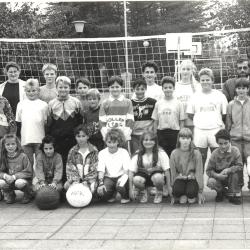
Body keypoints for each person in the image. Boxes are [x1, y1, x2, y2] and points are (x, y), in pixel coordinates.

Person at [187, 68, 228, 167]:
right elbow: (190, 114)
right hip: (200, 131)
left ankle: (219, 182)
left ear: (212, 80)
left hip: (215, 130)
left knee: (219, 159)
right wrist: (200, 121)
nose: (205, 82)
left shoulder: (220, 95)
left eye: (207, 80)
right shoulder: (194, 96)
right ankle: (199, 181)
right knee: (200, 160)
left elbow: (224, 114)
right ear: (199, 81)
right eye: (203, 80)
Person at [47, 76, 83, 182]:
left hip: (73, 139)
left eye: (66, 87)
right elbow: (49, 124)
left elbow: (81, 122)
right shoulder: (51, 104)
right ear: (56, 88)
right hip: (57, 140)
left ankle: (75, 182)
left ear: (70, 88)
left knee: (73, 161)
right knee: (60, 161)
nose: (63, 89)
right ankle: (61, 183)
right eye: (60, 87)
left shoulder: (76, 102)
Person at [129, 131, 171, 204]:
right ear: (142, 141)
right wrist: (130, 189)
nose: (148, 142)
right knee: (136, 179)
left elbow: (167, 171)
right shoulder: (137, 154)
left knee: (158, 177)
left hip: (156, 177)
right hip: (143, 177)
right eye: (146, 140)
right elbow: (131, 172)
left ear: (155, 142)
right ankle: (143, 192)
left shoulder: (161, 153)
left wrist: (169, 186)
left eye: (151, 140)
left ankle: (159, 192)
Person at [16, 79, 48, 168]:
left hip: (40, 139)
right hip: (26, 139)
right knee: (28, 163)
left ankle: (39, 179)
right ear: (25, 91)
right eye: (28, 91)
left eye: (33, 90)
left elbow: (46, 122)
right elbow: (18, 122)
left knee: (40, 162)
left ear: (38, 90)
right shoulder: (21, 104)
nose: (31, 93)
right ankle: (28, 180)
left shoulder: (44, 105)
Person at [206, 129, 243, 205]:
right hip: (220, 177)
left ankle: (234, 194)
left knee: (235, 174)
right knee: (210, 181)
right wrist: (218, 175)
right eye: (220, 143)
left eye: (226, 143)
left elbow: (240, 166)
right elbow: (208, 170)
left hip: (232, 177)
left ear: (230, 141)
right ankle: (221, 192)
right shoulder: (215, 153)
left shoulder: (235, 150)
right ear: (217, 143)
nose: (223, 146)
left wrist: (229, 169)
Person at [152, 76, 185, 157]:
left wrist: (181, 135)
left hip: (175, 133)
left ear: (174, 88)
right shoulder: (158, 103)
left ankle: (174, 169)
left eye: (170, 87)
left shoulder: (179, 103)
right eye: (165, 87)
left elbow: (182, 121)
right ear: (162, 89)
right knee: (163, 155)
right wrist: (155, 134)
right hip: (161, 133)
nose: (168, 89)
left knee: (174, 155)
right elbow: (155, 121)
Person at [226, 78, 250, 188]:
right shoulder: (231, 105)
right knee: (237, 165)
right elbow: (228, 123)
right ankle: (238, 187)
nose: (241, 90)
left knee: (249, 165)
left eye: (243, 88)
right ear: (235, 89)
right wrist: (228, 138)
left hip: (249, 140)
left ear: (247, 89)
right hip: (235, 140)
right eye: (239, 88)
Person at [170, 128, 204, 205]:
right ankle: (183, 194)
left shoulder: (196, 153)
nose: (185, 141)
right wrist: (173, 189)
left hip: (192, 179)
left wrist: (200, 191)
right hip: (180, 178)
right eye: (183, 138)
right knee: (177, 191)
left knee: (191, 194)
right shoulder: (174, 153)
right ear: (179, 139)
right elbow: (173, 172)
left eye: (188, 138)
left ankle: (190, 195)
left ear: (191, 140)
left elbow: (199, 171)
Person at [97, 128, 131, 204]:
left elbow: (126, 171)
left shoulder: (124, 152)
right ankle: (111, 194)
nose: (111, 145)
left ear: (118, 142)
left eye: (114, 142)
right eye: (109, 142)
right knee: (103, 193)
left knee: (120, 186)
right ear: (105, 142)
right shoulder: (102, 153)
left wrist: (122, 180)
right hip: (108, 177)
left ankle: (125, 196)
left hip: (121, 176)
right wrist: (101, 183)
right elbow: (101, 170)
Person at [64, 125, 98, 195]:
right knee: (66, 186)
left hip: (89, 180)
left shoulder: (93, 150)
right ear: (75, 137)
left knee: (93, 187)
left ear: (88, 136)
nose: (81, 139)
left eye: (83, 136)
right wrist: (75, 181)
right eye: (78, 136)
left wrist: (87, 181)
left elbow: (95, 168)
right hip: (76, 180)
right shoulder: (72, 151)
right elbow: (70, 168)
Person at [99, 76, 134, 143]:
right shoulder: (104, 103)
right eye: (112, 87)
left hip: (124, 139)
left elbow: (130, 121)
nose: (115, 89)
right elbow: (102, 122)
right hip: (109, 140)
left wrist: (124, 136)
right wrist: (107, 136)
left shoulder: (128, 102)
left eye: (117, 87)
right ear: (109, 88)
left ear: (121, 87)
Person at [0, 134, 33, 204]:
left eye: (13, 144)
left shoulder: (23, 156)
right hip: (8, 181)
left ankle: (28, 194)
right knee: (1, 182)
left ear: (17, 145)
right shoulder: (2, 157)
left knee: (19, 183)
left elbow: (28, 172)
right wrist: (5, 176)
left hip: (21, 181)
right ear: (4, 146)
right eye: (8, 144)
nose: (10, 146)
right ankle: (10, 194)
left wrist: (14, 177)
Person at [131, 78, 156, 154]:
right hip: (135, 136)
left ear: (146, 89)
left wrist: (154, 133)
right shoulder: (130, 103)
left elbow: (155, 120)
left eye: (142, 89)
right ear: (133, 90)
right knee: (136, 154)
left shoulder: (152, 102)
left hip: (148, 135)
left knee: (148, 154)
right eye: (137, 89)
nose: (140, 91)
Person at [175, 59, 201, 130]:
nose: (185, 71)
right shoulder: (175, 86)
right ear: (180, 70)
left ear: (192, 71)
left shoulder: (197, 86)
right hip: (178, 124)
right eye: (183, 69)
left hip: (193, 124)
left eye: (188, 69)